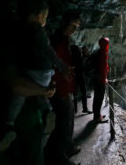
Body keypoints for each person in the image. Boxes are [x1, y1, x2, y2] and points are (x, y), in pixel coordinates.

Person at [0, 0, 70, 154]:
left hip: (32, 71)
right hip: (42, 70)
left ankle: (9, 125)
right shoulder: (37, 30)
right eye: (45, 16)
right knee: (38, 93)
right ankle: (47, 111)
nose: (45, 20)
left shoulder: (17, 31)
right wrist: (62, 67)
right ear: (37, 15)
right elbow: (48, 51)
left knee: (19, 98)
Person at [45, 11, 81, 165]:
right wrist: (59, 89)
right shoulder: (57, 41)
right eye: (73, 26)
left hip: (66, 88)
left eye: (77, 27)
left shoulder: (64, 39)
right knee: (62, 124)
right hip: (60, 90)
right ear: (65, 23)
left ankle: (68, 147)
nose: (74, 30)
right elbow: (52, 67)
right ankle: (60, 158)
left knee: (69, 119)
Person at [92, 37, 110, 123]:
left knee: (97, 97)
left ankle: (97, 115)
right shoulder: (103, 53)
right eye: (107, 44)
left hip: (96, 78)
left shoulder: (98, 52)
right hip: (100, 79)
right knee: (99, 98)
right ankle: (97, 117)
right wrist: (104, 79)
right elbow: (102, 68)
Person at [71, 45, 92, 114]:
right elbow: (82, 67)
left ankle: (75, 109)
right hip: (79, 75)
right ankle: (84, 108)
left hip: (75, 75)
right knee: (83, 92)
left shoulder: (73, 57)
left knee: (75, 93)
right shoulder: (79, 58)